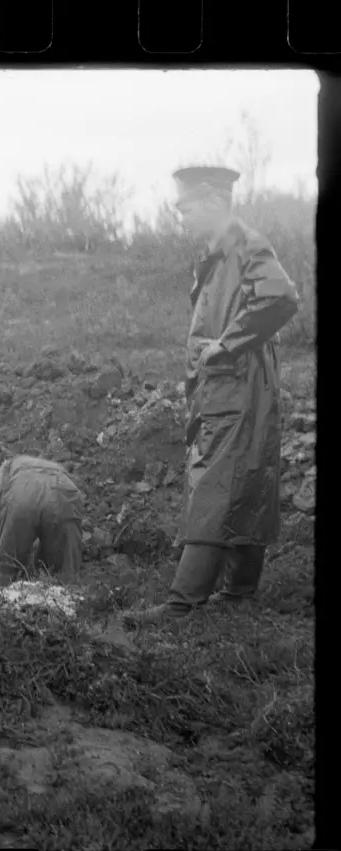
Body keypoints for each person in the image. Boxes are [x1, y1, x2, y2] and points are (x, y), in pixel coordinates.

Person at [124, 166, 300, 626]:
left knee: (213, 484)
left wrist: (228, 343)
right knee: (248, 479)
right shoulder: (217, 252)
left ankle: (183, 604)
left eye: (183, 207)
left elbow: (281, 297)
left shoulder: (245, 244)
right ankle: (239, 592)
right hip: (236, 388)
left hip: (236, 387)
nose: (179, 216)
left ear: (211, 202)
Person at [0, 455, 85, 584]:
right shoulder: (57, 468)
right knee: (66, 569)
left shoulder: (8, 464)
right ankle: (69, 592)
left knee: (5, 568)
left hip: (23, 492)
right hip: (65, 492)